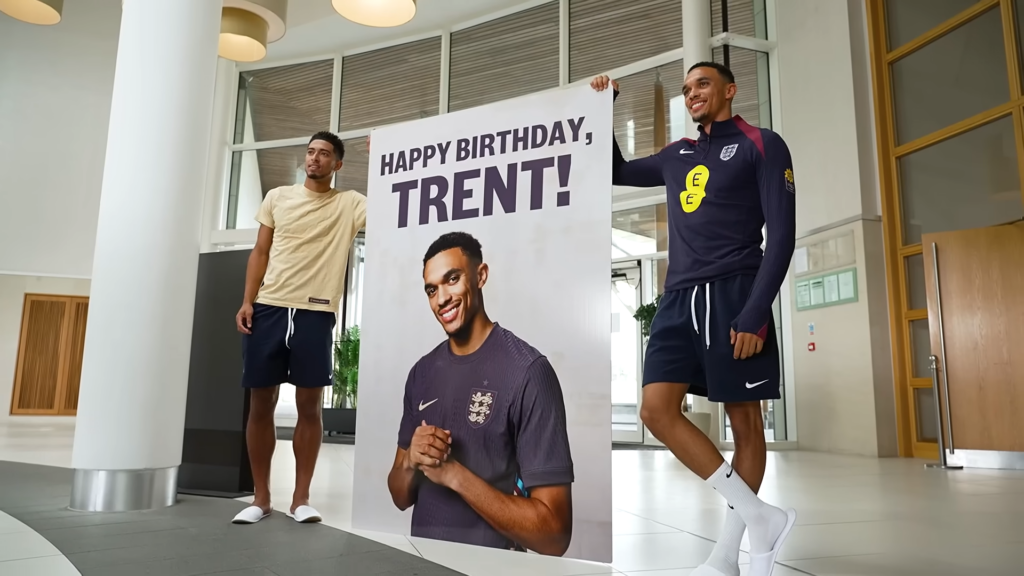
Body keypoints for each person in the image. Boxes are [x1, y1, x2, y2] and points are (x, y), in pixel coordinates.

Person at [591, 62, 797, 576]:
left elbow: (783, 236)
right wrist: (605, 106)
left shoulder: (762, 143)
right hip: (677, 298)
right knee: (656, 410)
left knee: (744, 422)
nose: (692, 94)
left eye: (701, 84)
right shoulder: (675, 154)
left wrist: (755, 314)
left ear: (729, 90)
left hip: (735, 294)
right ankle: (760, 518)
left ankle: (726, 555)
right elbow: (614, 170)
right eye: (685, 89)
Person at [386, 231, 574, 555]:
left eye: (452, 279)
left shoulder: (528, 372)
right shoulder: (422, 372)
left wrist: (455, 476)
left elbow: (555, 535)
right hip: (424, 563)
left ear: (481, 275)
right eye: (432, 289)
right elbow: (400, 497)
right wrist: (410, 462)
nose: (442, 298)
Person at [231, 131, 367, 525]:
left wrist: (390, 152)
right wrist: (247, 300)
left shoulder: (350, 203)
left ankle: (301, 499)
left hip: (315, 312)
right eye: (311, 152)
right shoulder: (277, 197)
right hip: (270, 307)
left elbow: (397, 204)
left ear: (337, 164)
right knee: (261, 404)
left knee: (309, 407)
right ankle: (260, 498)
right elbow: (260, 251)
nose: (315, 159)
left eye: (324, 154)